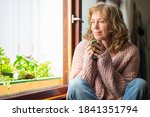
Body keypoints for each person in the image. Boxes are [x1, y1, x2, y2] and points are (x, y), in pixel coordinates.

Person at [67, 1, 148, 100]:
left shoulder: (131, 51)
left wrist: (105, 59)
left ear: (114, 25)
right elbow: (76, 87)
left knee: (140, 83)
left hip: (119, 102)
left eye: (101, 21)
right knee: (76, 83)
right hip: (90, 102)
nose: (95, 26)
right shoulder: (82, 47)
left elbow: (121, 92)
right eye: (92, 22)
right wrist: (90, 58)